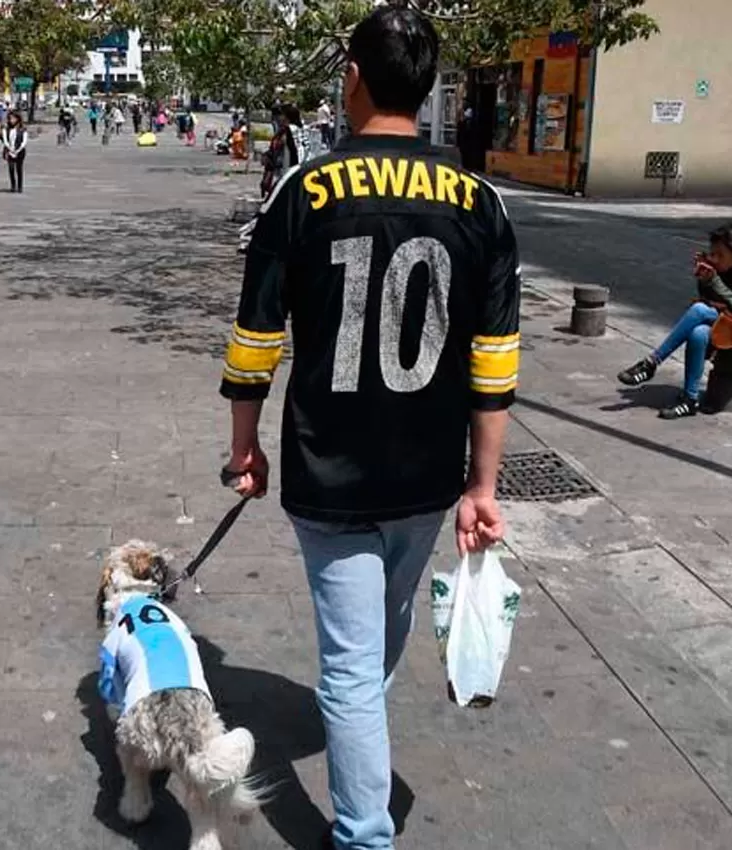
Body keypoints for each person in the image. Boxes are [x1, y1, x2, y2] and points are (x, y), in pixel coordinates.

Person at [218, 8, 518, 849]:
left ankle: (364, 836)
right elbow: (494, 363)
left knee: (351, 669)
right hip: (427, 477)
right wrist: (483, 485)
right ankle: (361, 746)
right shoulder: (480, 203)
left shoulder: (303, 190)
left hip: (331, 474)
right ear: (424, 88)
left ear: (353, 74)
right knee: (373, 644)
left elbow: (255, 340)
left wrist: (243, 447)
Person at [616, 223, 732, 420]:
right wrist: (704, 277)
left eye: (720, 255)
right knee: (698, 334)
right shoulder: (731, 263)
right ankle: (690, 399)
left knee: (699, 310)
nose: (715, 259)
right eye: (713, 253)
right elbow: (711, 298)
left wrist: (714, 281)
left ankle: (651, 362)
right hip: (729, 315)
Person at [1, 111, 28, 193]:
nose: (11, 120)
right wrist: (9, 149)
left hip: (20, 151)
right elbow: (5, 140)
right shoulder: (6, 129)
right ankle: (13, 185)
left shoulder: (22, 129)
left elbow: (24, 142)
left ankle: (20, 186)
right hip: (10, 150)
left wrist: (18, 150)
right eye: (10, 118)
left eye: (13, 118)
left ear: (18, 119)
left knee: (19, 168)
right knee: (11, 168)